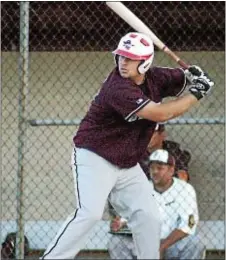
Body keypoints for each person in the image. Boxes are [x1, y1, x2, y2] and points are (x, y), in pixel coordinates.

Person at [41, 32, 214, 259]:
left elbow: (181, 78)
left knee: (149, 216)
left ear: (145, 64)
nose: (123, 62)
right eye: (121, 56)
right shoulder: (117, 88)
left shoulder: (156, 78)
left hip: (127, 163)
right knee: (90, 213)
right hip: (95, 156)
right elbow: (163, 112)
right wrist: (196, 94)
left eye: (130, 58)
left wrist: (193, 75)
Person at [108, 149, 205, 260]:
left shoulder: (185, 189)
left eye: (160, 168)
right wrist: (119, 223)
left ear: (171, 170)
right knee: (116, 242)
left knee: (195, 243)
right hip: (146, 242)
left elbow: (188, 226)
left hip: (173, 242)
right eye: (152, 168)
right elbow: (129, 214)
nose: (154, 172)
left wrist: (161, 247)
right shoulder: (142, 188)